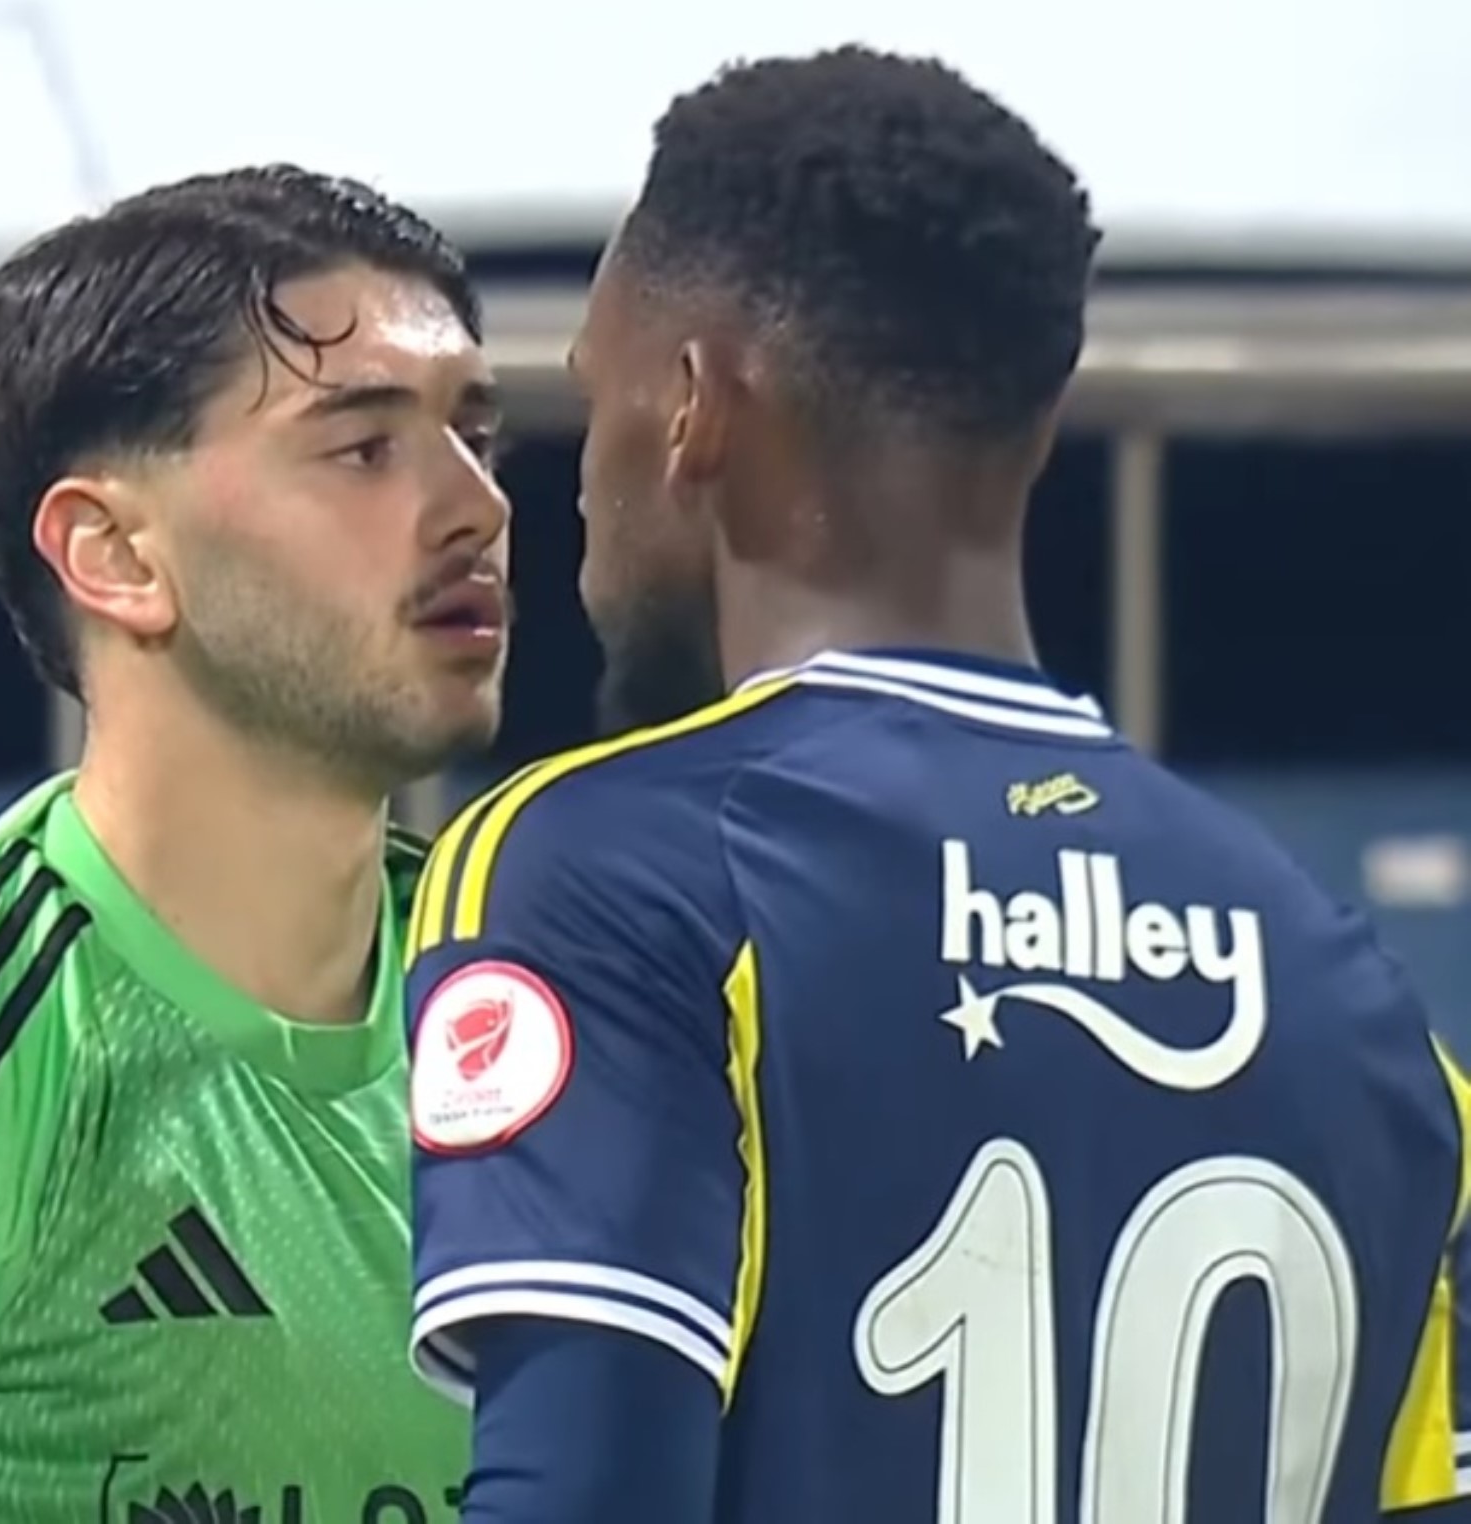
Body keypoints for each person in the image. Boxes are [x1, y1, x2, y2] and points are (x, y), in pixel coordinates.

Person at [400, 48, 1471, 1524]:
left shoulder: (611, 871)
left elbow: (582, 1495)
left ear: (695, 408)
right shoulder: (1362, 1004)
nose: (581, 487)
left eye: (597, 402)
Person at [0, 164, 508, 1522]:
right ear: (112, 553)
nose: (477, 506)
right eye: (364, 447)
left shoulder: (543, 1013)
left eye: (474, 434)